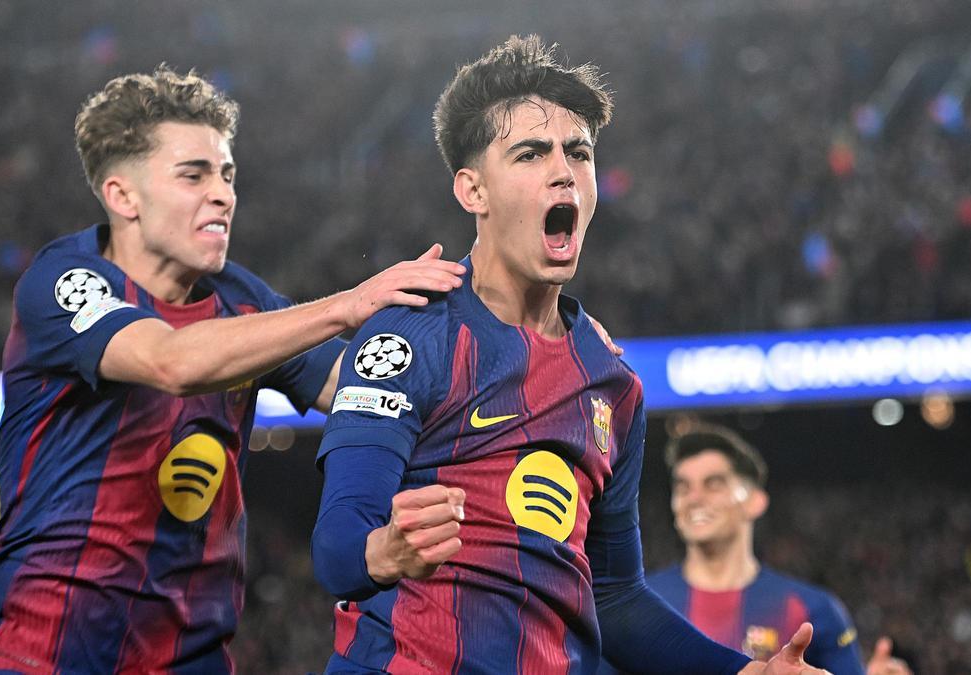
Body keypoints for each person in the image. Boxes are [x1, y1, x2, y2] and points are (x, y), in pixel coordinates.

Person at [310, 35, 829, 674]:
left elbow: (613, 597)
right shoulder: (410, 336)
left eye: (577, 152)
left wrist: (742, 672)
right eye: (530, 153)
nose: (563, 170)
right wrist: (386, 551)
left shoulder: (612, 383)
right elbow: (337, 548)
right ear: (472, 191)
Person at [0, 66, 468, 673]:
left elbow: (364, 392)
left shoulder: (242, 301)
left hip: (189, 657)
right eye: (193, 175)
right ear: (122, 196)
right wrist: (347, 305)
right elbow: (172, 360)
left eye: (226, 174)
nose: (222, 193)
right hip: (35, 651)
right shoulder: (66, 281)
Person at [641, 423, 912, 675]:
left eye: (714, 484)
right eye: (683, 487)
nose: (694, 498)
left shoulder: (813, 609)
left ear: (755, 502)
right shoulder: (639, 604)